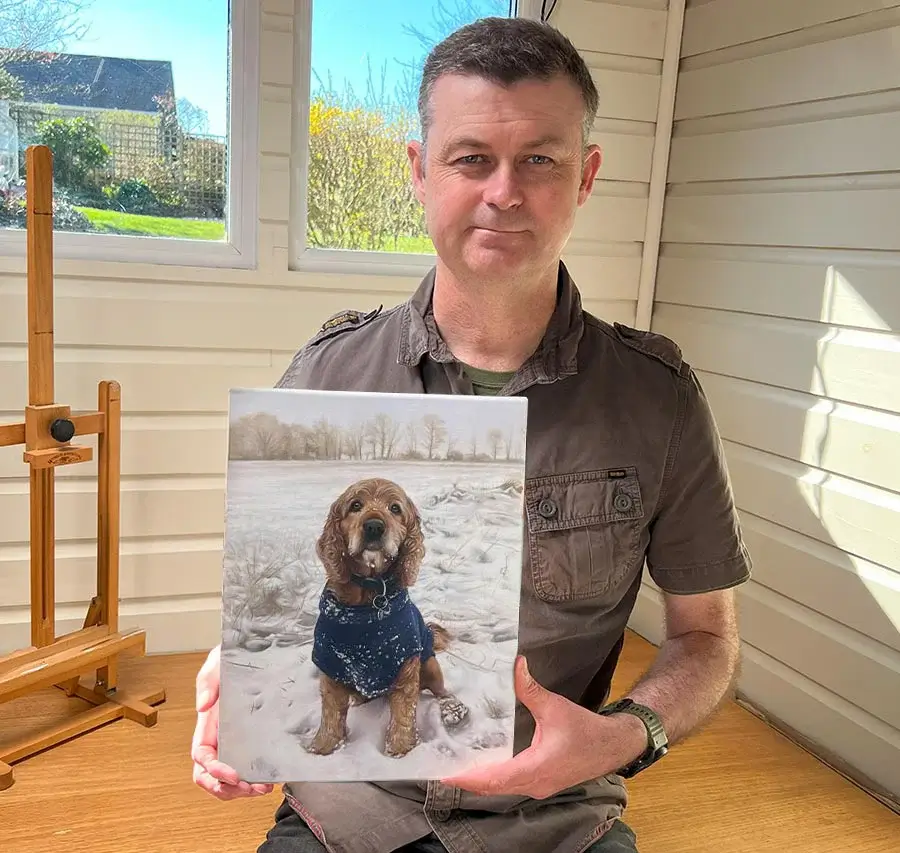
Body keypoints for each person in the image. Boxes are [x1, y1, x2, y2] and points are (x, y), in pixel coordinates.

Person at [192, 15, 751, 853]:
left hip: (557, 816)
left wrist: (629, 732)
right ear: (419, 172)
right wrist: (227, 673)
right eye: (470, 158)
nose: (504, 191)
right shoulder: (328, 371)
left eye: (539, 159)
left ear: (586, 175)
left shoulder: (657, 398)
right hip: (348, 803)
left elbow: (706, 637)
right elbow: (267, 603)